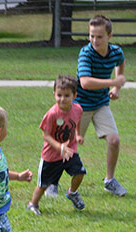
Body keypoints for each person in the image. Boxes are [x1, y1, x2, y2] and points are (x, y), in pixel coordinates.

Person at [75, 15, 127, 196]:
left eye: (99, 36)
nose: (95, 40)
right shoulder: (86, 53)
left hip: (101, 104)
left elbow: (120, 63)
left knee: (114, 140)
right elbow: (85, 83)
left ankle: (109, 181)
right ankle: (51, 182)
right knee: (66, 144)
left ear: (109, 36)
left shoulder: (115, 52)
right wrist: (112, 81)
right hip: (79, 105)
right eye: (91, 36)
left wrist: (116, 88)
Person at [27, 75, 87, 216]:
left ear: (74, 95)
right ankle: (33, 204)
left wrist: (78, 134)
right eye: (59, 95)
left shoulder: (77, 109)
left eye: (67, 95)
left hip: (70, 151)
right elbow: (46, 135)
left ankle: (72, 193)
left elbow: (77, 121)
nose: (62, 99)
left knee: (80, 172)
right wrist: (60, 148)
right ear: (54, 94)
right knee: (43, 185)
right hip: (51, 156)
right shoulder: (52, 114)